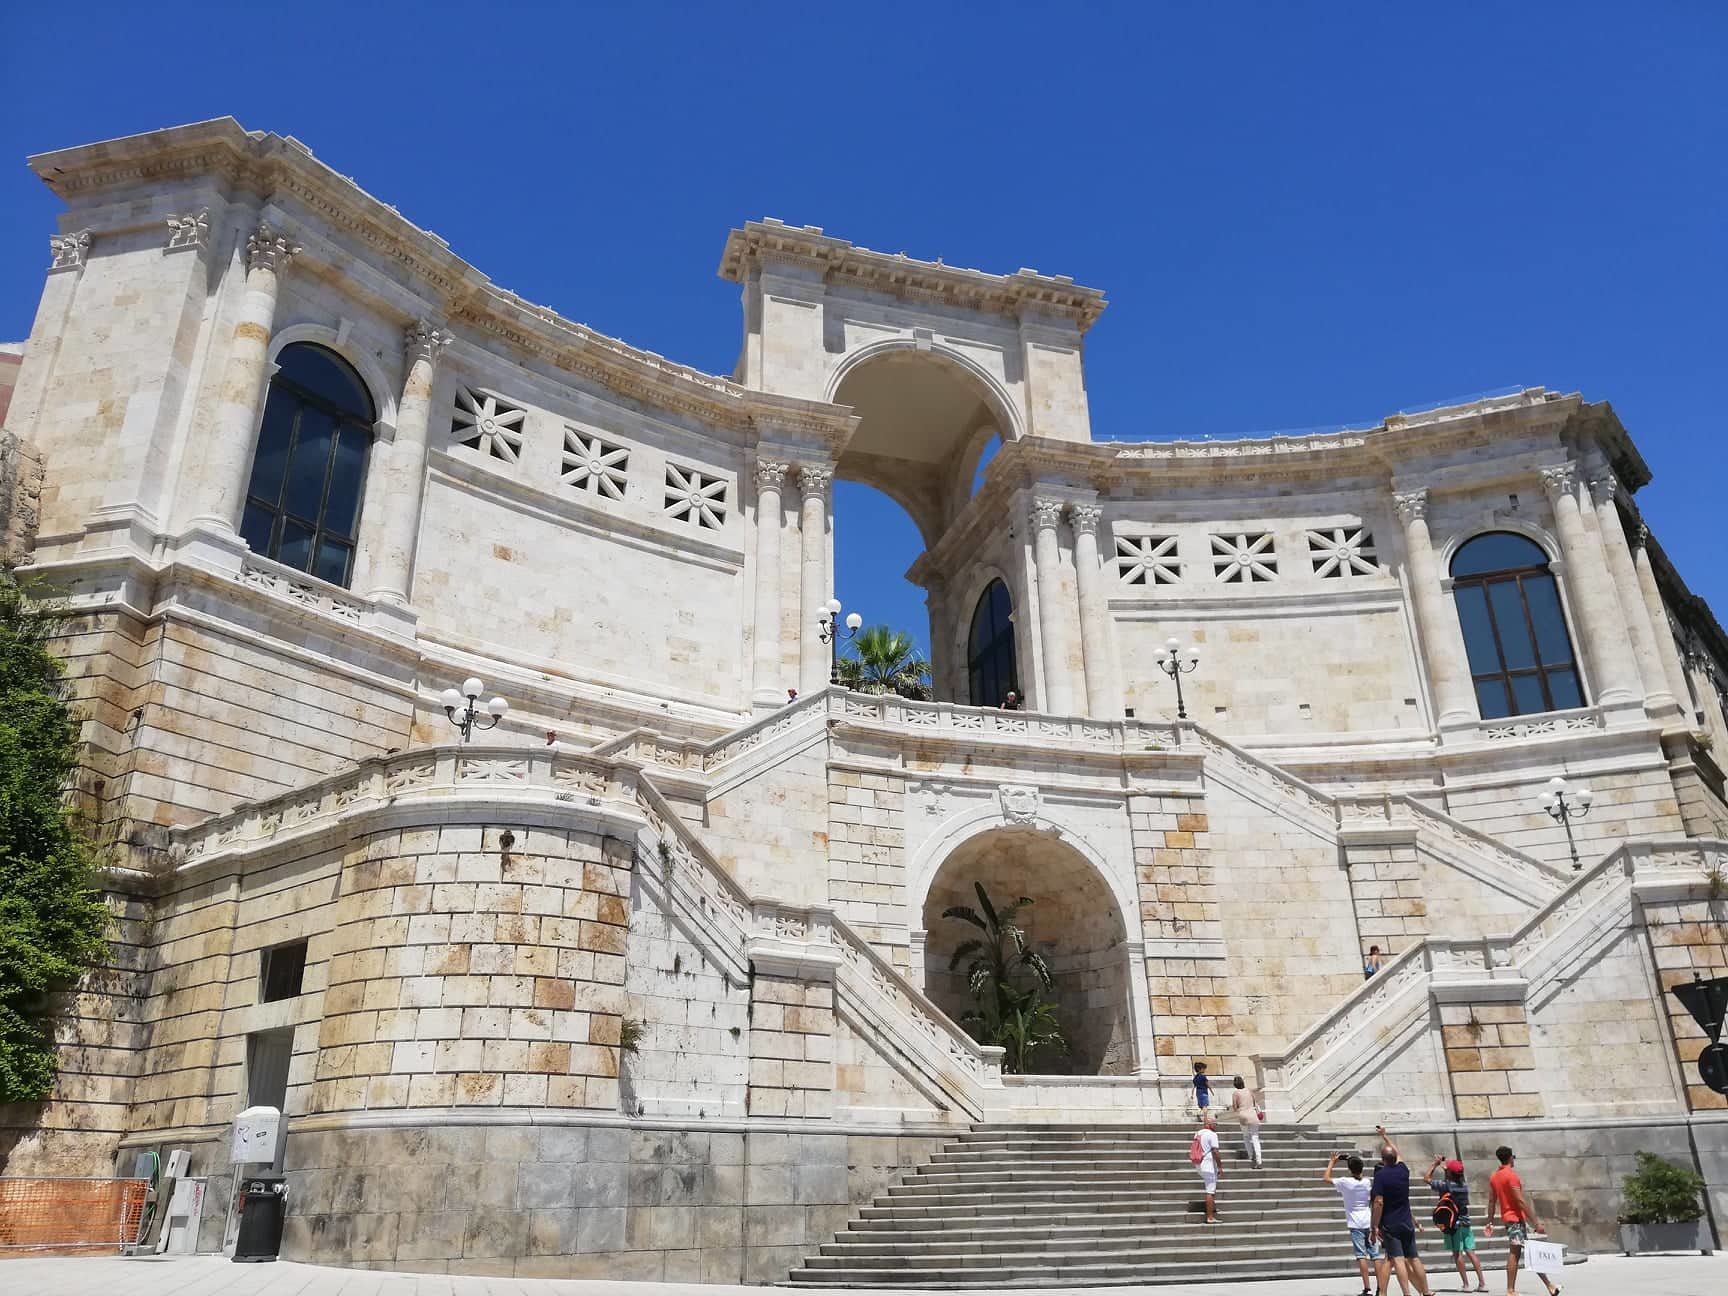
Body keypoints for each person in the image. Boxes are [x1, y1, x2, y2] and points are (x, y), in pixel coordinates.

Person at [1370, 1125, 1433, 1296]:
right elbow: (1398, 1153)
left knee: (1397, 1259)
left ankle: (1407, 1293)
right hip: (1406, 1220)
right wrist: (1385, 1136)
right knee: (1414, 1257)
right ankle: (1426, 1291)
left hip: (1391, 1223)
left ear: (1383, 1160)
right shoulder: (1403, 1170)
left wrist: (1374, 1226)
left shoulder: (1380, 1176)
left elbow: (1378, 1202)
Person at [1488, 1146, 1560, 1296]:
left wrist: (1490, 1221)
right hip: (1515, 1219)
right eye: (1513, 1156)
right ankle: (1510, 1290)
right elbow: (1520, 1201)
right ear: (1510, 1158)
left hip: (1511, 1219)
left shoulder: (1494, 1177)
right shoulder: (1511, 1176)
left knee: (1528, 1252)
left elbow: (1491, 1201)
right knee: (1515, 1253)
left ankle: (1549, 1285)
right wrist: (1536, 1223)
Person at [1326, 1150, 1390, 1296]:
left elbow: (1326, 1178)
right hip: (1368, 1221)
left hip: (1355, 1223)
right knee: (1375, 1255)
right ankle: (1381, 1288)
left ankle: (1367, 1288)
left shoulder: (1345, 1182)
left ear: (1350, 1169)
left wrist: (1332, 1162)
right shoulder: (1367, 1182)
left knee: (1361, 1256)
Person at [1428, 1155, 1488, 1292]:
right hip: (1466, 1221)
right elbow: (1452, 1180)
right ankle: (1482, 1283)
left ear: (1450, 1173)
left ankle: (1466, 1284)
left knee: (1457, 1253)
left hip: (1453, 1224)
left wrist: (1435, 1164)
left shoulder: (1445, 1186)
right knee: (1471, 1252)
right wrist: (1446, 1170)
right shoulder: (1463, 1186)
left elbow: (1427, 1179)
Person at [1192, 1112, 1222, 1224]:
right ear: (1210, 1124)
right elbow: (1215, 1151)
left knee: (1212, 1188)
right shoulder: (1212, 1135)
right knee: (1210, 1190)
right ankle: (1210, 1217)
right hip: (1208, 1164)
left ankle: (1212, 1208)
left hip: (1199, 1163)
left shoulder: (1198, 1133)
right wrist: (1220, 1166)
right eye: (1215, 1124)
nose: (1216, 1126)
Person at [1229, 1075, 1262, 1168]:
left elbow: (1235, 1107)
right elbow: (1255, 1103)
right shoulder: (1249, 1090)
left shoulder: (1235, 1093)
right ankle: (1259, 1160)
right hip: (1253, 1115)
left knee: (1246, 1136)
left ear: (1234, 1084)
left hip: (1243, 1115)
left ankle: (1251, 1156)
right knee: (1255, 1137)